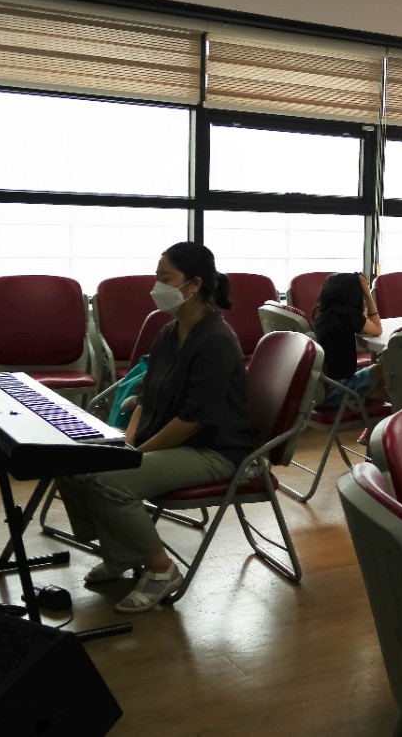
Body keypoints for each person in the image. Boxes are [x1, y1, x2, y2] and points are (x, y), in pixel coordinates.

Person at [57, 242, 255, 613]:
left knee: (109, 481)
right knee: (70, 461)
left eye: (165, 278)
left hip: (214, 450)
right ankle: (120, 553)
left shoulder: (215, 340)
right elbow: (145, 399)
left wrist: (134, 457)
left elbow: (192, 421)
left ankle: (162, 570)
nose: (156, 286)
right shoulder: (169, 333)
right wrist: (127, 444)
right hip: (172, 441)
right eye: (157, 276)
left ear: (194, 285)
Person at [313, 272, 383, 408]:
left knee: (379, 387)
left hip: (323, 389)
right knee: (385, 367)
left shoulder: (321, 314)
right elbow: (377, 329)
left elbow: (368, 327)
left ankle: (388, 412)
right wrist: (367, 292)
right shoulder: (348, 314)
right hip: (339, 389)